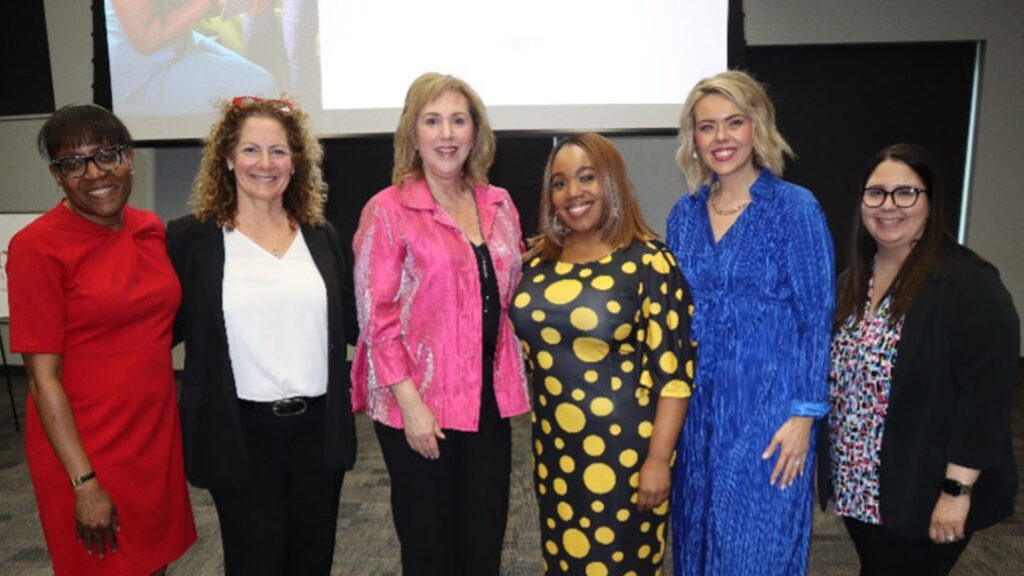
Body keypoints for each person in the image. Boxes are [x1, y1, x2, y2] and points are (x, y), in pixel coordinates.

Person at [166, 96, 356, 576]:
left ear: (296, 161)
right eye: (251, 150)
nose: (265, 164)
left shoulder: (320, 235)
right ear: (227, 158)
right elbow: (158, 327)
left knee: (313, 562)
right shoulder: (193, 240)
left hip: (318, 433)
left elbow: (353, 322)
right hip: (239, 435)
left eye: (279, 151)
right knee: (255, 563)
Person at [351, 72, 530, 575]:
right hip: (419, 403)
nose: (447, 133)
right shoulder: (387, 211)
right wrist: (412, 407)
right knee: (430, 548)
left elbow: (509, 288)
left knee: (483, 540)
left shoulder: (500, 204)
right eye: (433, 121)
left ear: (476, 132)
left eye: (458, 120)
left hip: (487, 402)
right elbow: (376, 319)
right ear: (413, 133)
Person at [6, 103, 196, 575]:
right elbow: (42, 379)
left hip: (153, 438)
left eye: (107, 155)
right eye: (73, 163)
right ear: (57, 175)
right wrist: (84, 482)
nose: (94, 173)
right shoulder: (37, 247)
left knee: (155, 564)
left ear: (129, 157)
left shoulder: (149, 228)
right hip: (85, 447)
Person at [818, 143, 1019, 575]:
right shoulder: (853, 281)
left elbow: (983, 401)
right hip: (864, 487)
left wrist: (956, 491)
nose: (889, 206)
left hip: (927, 490)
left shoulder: (968, 283)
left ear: (929, 202)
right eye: (876, 193)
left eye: (905, 193)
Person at [665, 70, 835, 575]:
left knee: (756, 549)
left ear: (756, 127)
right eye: (707, 127)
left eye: (733, 123)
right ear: (692, 138)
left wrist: (804, 417)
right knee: (695, 543)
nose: (721, 138)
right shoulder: (684, 214)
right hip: (696, 417)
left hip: (769, 417)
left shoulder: (794, 209)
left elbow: (816, 316)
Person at [509, 133, 694, 575]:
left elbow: (675, 376)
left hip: (626, 456)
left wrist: (657, 460)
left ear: (612, 181)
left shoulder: (650, 261)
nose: (573, 192)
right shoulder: (537, 262)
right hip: (555, 451)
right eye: (560, 182)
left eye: (586, 177)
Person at [107, 0, 276, 116]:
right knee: (259, 86)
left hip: (176, 40)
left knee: (262, 84)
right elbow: (147, 38)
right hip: (138, 71)